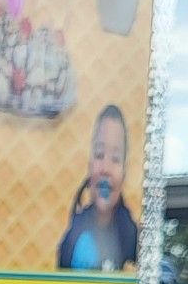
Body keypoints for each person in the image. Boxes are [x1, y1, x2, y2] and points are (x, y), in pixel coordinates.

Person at [55, 104, 139, 270]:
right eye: (99, 155)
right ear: (89, 164)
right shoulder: (74, 233)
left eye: (115, 158)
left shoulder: (133, 239)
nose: (105, 169)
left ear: (124, 172)